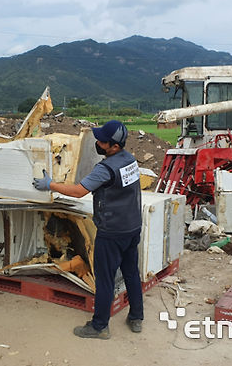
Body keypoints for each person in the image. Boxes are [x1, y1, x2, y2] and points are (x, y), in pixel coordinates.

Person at [33, 120, 143, 340]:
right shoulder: (129, 159)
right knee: (131, 272)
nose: (98, 142)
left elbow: (77, 192)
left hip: (112, 232)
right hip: (132, 227)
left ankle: (99, 326)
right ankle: (136, 317)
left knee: (104, 279)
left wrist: (50, 184)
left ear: (113, 146)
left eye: (102, 141)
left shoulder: (105, 168)